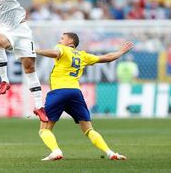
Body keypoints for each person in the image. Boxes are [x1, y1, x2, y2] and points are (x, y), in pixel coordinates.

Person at [35, 32, 133, 161]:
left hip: (58, 92)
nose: (59, 41)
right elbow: (107, 57)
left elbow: (56, 53)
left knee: (44, 129)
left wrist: (36, 50)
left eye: (62, 39)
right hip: (75, 92)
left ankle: (56, 151)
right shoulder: (83, 55)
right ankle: (110, 152)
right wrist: (120, 52)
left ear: (70, 43)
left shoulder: (62, 49)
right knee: (88, 128)